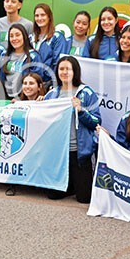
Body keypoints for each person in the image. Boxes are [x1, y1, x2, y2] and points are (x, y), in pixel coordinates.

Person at [43, 56, 101, 203]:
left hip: (79, 152)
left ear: (75, 71)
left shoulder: (86, 93)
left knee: (84, 198)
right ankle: (70, 185)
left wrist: (81, 111)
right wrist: (39, 104)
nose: (64, 72)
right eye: (61, 69)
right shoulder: (51, 94)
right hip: (59, 152)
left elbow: (96, 122)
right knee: (53, 195)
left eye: (68, 69)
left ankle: (76, 184)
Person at [1, 23, 39, 98]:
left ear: (24, 36)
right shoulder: (5, 56)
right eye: (11, 36)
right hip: (6, 98)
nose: (14, 38)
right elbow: (1, 79)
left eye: (17, 35)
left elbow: (37, 80)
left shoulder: (33, 56)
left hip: (24, 99)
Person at [31, 3, 66, 83]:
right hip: (32, 83)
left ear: (49, 17)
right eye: (37, 16)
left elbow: (58, 62)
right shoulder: (31, 38)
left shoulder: (57, 37)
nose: (39, 18)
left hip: (49, 82)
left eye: (43, 15)